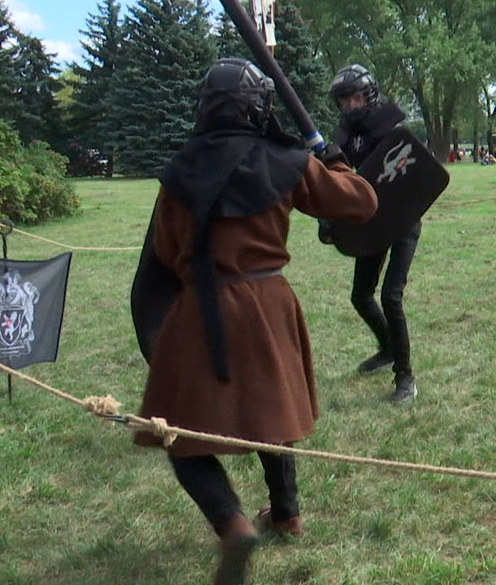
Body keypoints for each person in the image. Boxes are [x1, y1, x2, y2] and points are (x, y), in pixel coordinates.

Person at [131, 59, 378, 584]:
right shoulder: (286, 161)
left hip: (202, 306)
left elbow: (166, 249)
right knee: (272, 415)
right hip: (268, 304)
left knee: (179, 434)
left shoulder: (180, 169)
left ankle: (233, 523)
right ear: (258, 107)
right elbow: (362, 201)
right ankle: (286, 515)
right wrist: (329, 160)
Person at [326, 64, 421, 403]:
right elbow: (337, 178)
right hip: (373, 221)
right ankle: (388, 349)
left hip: (403, 221)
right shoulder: (346, 135)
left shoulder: (391, 127)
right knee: (361, 295)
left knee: (390, 296)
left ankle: (405, 377)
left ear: (369, 95)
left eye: (354, 98)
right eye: (344, 101)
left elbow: (410, 177)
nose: (350, 106)